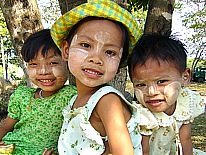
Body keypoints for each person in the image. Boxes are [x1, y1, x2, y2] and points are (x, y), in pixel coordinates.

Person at [43, 0, 158, 155]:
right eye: (86, 45)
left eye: (110, 52)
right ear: (66, 50)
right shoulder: (75, 100)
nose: (96, 59)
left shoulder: (107, 101)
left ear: (119, 63)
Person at [0, 29, 77, 155]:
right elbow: (5, 127)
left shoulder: (72, 97)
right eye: (34, 64)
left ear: (69, 62)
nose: (43, 71)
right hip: (8, 148)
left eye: (53, 63)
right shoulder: (23, 96)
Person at [127, 34, 206, 155]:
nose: (151, 92)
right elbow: (144, 151)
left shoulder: (184, 104)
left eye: (161, 82)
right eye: (141, 85)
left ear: (185, 77)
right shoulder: (142, 115)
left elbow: (185, 140)